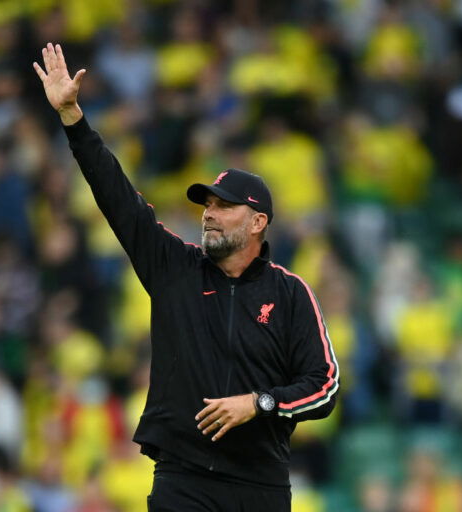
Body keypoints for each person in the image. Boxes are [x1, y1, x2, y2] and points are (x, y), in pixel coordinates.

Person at [33, 43, 340, 512]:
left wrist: (258, 403)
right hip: (182, 480)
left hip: (260, 487)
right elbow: (119, 200)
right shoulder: (175, 268)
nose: (209, 214)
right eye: (207, 205)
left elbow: (323, 387)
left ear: (258, 222)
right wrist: (74, 119)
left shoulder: (291, 293)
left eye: (223, 205)